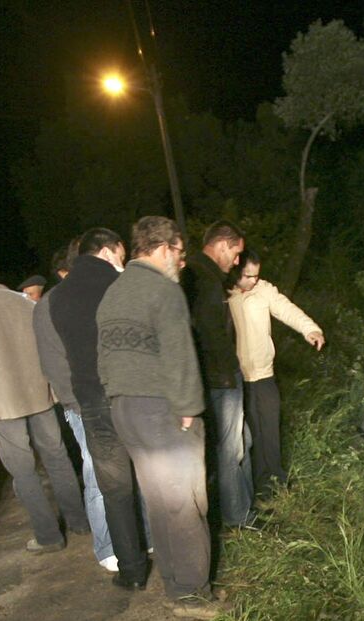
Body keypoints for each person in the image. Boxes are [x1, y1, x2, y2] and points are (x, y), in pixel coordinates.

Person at [98, 216, 226, 619]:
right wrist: (188, 407)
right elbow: (179, 354)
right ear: (164, 248)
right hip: (161, 408)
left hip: (124, 409)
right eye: (180, 253)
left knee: (159, 501)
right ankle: (191, 595)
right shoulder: (163, 290)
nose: (182, 263)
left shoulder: (113, 293)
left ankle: (175, 583)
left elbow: (103, 359)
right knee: (186, 503)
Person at [0, 251, 88, 553]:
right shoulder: (23, 301)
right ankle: (80, 521)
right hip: (39, 395)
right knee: (58, 459)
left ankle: (48, 536)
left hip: (3, 404)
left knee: (24, 471)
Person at [49, 228, 149, 589]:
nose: (122, 260)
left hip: (92, 401)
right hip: (132, 394)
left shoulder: (57, 298)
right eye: (120, 253)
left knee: (115, 486)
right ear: (107, 252)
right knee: (154, 474)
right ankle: (171, 556)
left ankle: (133, 571)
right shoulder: (123, 283)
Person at [32, 241, 118, 573]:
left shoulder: (81, 296)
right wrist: (74, 400)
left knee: (118, 470)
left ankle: (134, 536)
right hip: (82, 403)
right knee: (96, 472)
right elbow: (53, 361)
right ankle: (105, 546)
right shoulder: (52, 303)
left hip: (102, 396)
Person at [228, 249, 324, 499]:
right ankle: (254, 491)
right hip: (236, 379)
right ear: (236, 271)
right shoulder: (223, 294)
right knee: (247, 436)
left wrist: (310, 329)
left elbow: (286, 309)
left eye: (257, 276)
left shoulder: (264, 291)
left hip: (264, 375)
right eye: (249, 276)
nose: (254, 281)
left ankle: (276, 485)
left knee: (270, 430)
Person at [183, 219, 253, 527]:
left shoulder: (199, 275)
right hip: (220, 377)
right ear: (222, 245)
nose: (237, 261)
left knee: (242, 442)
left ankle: (244, 507)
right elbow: (207, 332)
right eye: (236, 253)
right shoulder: (202, 278)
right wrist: (226, 371)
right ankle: (237, 518)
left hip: (216, 376)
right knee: (229, 450)